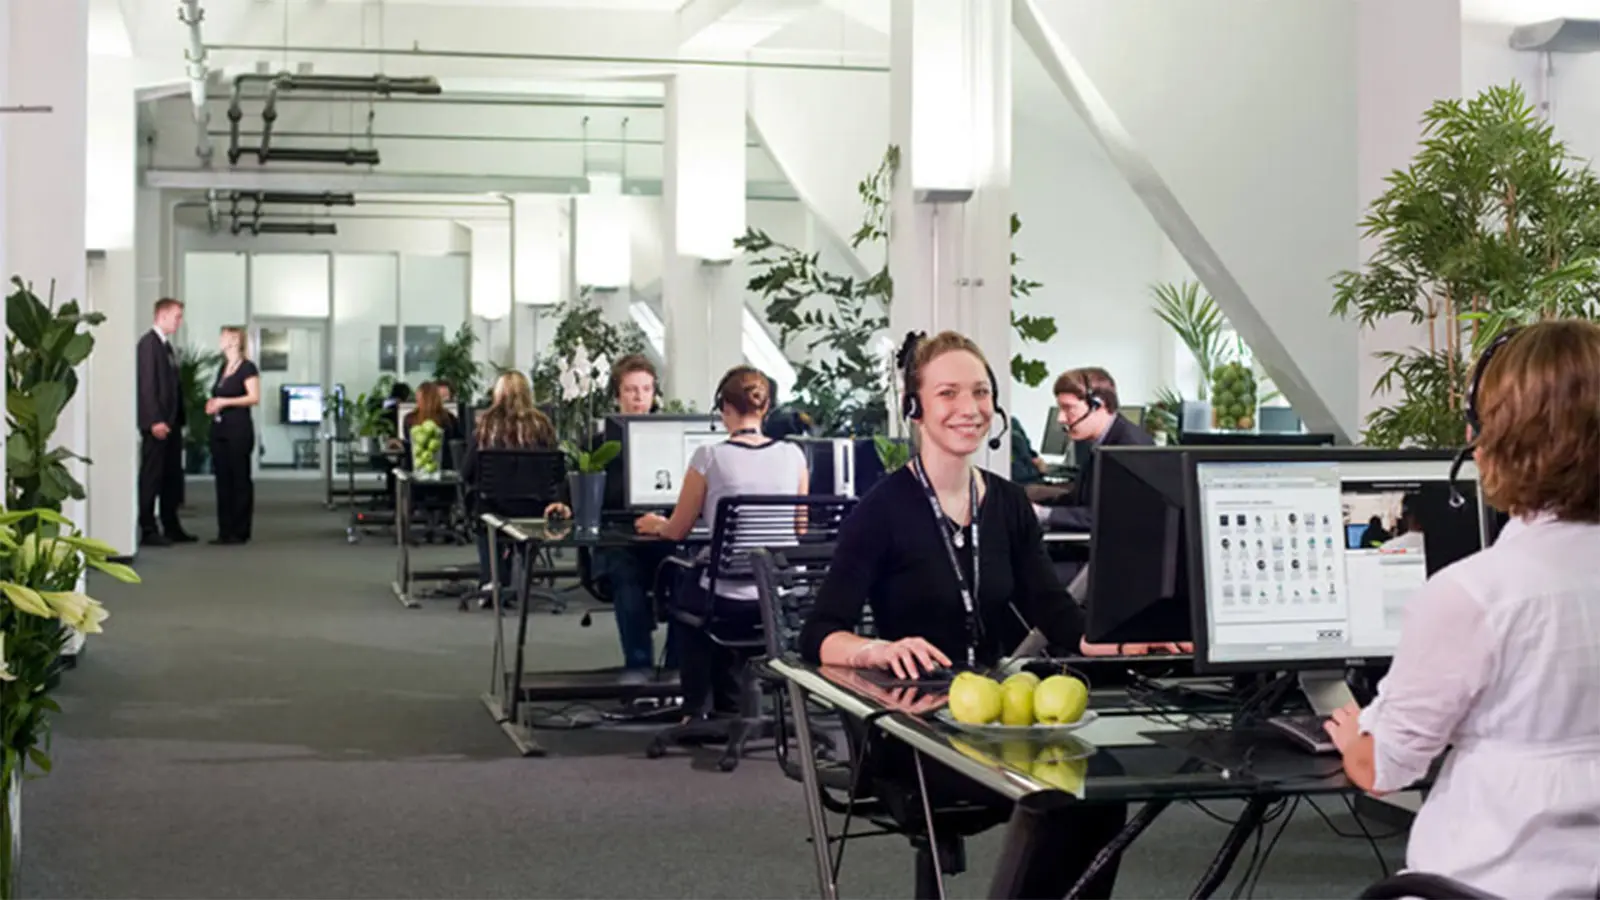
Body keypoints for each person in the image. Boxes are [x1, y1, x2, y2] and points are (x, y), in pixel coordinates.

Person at [799, 332, 1169, 899]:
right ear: (915, 406)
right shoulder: (881, 510)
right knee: (1056, 797)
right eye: (948, 393)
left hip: (998, 719)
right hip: (915, 725)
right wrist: (879, 649)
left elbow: (1056, 613)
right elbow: (819, 634)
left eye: (980, 392)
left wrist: (1125, 640)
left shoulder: (1008, 503)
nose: (969, 407)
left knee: (1098, 792)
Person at [1324, 319, 1600, 900]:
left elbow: (1382, 771)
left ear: (1490, 437)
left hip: (1490, 884)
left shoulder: (1475, 594)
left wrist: (1355, 736)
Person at [636, 365, 808, 719]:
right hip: (780, 596)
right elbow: (799, 527)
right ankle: (731, 704)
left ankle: (697, 709)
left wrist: (655, 523)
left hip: (729, 601)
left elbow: (677, 530)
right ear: (766, 407)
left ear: (724, 407)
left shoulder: (709, 456)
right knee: (709, 580)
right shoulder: (794, 455)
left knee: (688, 587)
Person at [591, 354, 677, 682]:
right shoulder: (600, 446)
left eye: (646, 389)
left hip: (665, 531)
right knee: (627, 580)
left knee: (689, 577)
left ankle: (677, 670)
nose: (639, 397)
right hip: (619, 536)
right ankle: (639, 667)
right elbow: (577, 493)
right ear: (618, 395)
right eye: (631, 390)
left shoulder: (671, 441)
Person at [460, 371, 561, 598]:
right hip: (535, 507)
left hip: (494, 507)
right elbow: (556, 473)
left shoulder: (486, 425)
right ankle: (525, 574)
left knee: (483, 508)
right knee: (521, 511)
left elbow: (467, 472)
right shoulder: (543, 425)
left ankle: (492, 580)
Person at [1035, 366, 1153, 532]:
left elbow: (1111, 517)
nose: (1061, 418)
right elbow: (1080, 501)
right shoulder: (1101, 441)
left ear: (1098, 405)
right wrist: (1030, 507)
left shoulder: (1129, 448)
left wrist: (1043, 514)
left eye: (1068, 408)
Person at [136, 297, 196, 547]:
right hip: (158, 425)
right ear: (161, 315)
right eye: (176, 316)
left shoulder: (166, 347)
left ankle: (171, 525)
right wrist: (154, 421)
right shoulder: (148, 345)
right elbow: (147, 386)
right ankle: (148, 527)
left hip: (171, 424)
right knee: (152, 476)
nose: (179, 322)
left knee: (171, 476)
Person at [204, 327, 260, 545]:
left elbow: (253, 397)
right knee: (223, 480)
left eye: (224, 336)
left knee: (239, 479)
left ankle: (240, 530)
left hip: (239, 430)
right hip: (220, 429)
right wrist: (213, 404)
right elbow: (219, 394)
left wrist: (225, 402)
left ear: (235, 341)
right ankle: (224, 530)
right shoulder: (223, 368)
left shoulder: (247, 367)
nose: (220, 340)